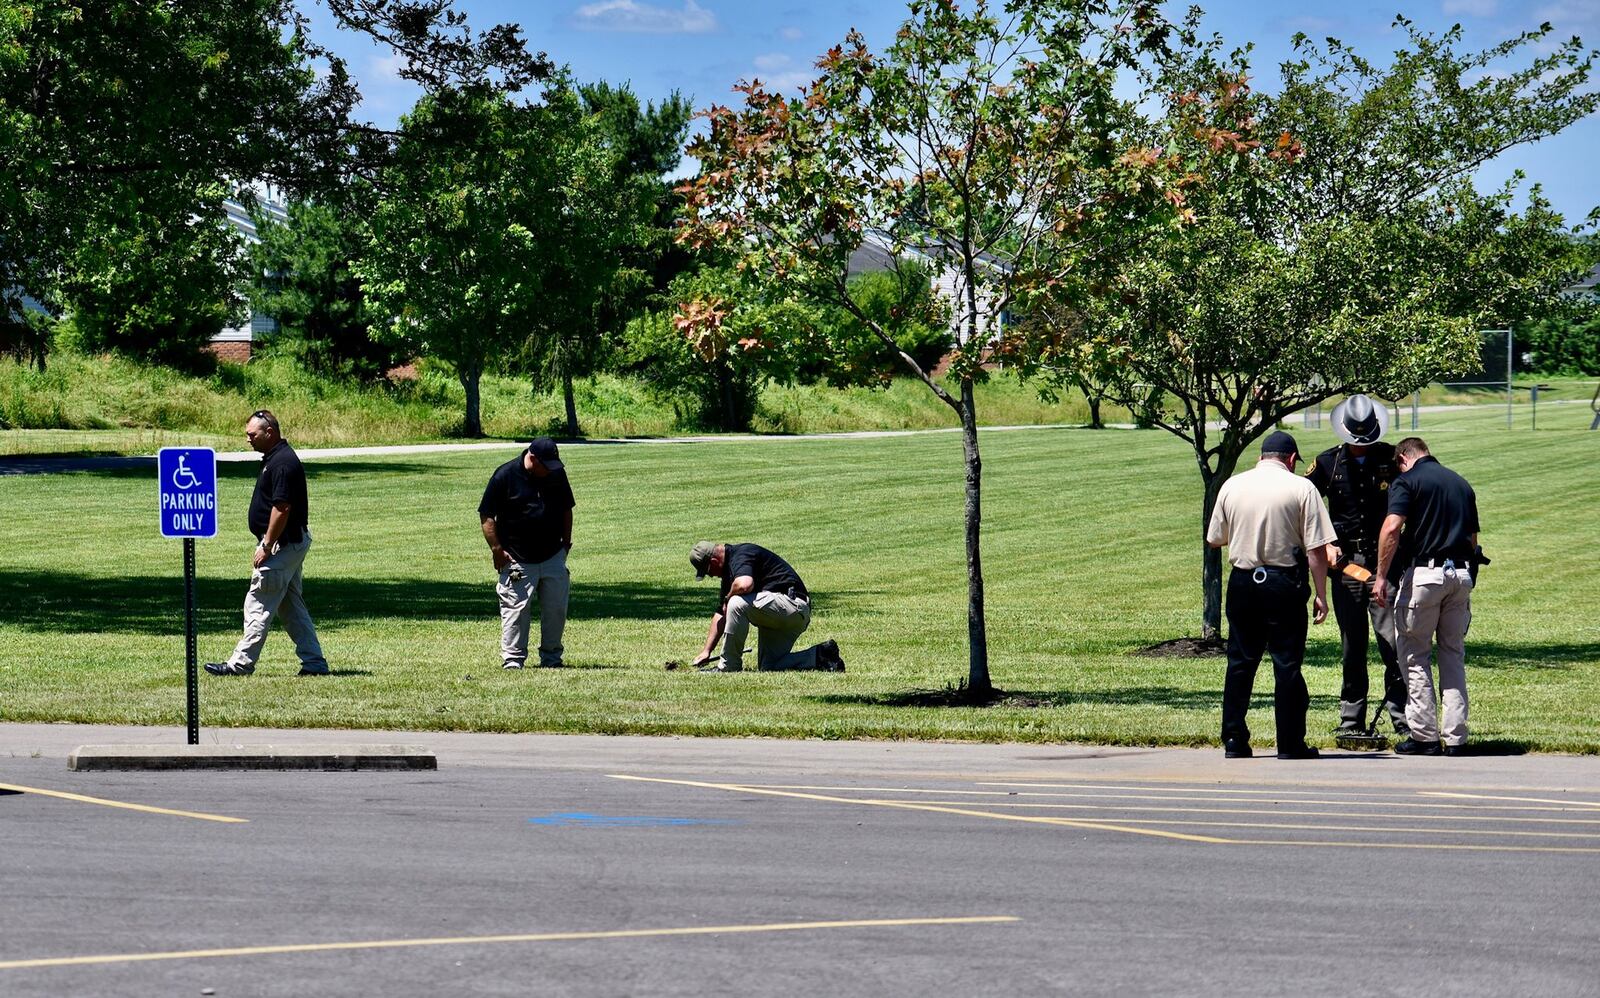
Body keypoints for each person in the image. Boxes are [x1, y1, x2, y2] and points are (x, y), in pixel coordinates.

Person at [1206, 430, 1335, 759]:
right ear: (1291, 460)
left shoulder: (1232, 485)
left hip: (1243, 580)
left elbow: (1215, 538)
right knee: (1287, 664)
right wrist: (1321, 594)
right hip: (1283, 582)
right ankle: (1290, 743)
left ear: (1261, 457)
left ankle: (1234, 739)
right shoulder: (1302, 487)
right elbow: (1317, 550)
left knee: (1240, 663)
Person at [1305, 395, 1409, 738]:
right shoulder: (1326, 464)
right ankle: (1352, 719)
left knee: (1391, 641)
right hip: (1346, 567)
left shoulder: (1392, 459)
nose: (1362, 445)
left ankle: (1402, 715)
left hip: (1386, 565)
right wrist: (1324, 543)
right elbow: (1305, 509)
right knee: (1352, 644)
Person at [1373, 437, 1480, 756]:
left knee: (1414, 654)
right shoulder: (1461, 483)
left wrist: (1380, 576)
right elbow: (1473, 539)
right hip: (1460, 575)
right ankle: (1456, 737)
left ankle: (1424, 736)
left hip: (1426, 574)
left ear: (1403, 457)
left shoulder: (1406, 481)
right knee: (1452, 653)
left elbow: (1392, 528)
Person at [205, 409, 329, 677]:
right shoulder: (274, 458)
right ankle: (315, 664)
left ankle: (240, 664)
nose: (248, 439)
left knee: (258, 602)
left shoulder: (282, 463)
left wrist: (267, 544)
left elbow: (282, 508)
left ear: (269, 432)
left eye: (252, 434)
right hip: (290, 543)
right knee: (291, 606)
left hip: (281, 545)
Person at [479, 438, 575, 669]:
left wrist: (566, 544)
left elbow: (566, 508)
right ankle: (513, 660)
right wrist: (496, 550)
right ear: (532, 458)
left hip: (552, 554)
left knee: (556, 609)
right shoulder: (505, 475)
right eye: (546, 465)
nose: (550, 470)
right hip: (517, 557)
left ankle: (552, 659)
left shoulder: (555, 474)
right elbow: (487, 515)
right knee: (516, 610)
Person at [688, 541, 845, 672]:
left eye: (708, 572)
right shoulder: (729, 576)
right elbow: (721, 615)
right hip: (782, 614)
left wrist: (729, 598)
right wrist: (706, 651)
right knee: (769, 666)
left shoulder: (741, 555)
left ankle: (728, 667)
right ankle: (821, 655)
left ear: (714, 562)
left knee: (736, 603)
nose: (712, 576)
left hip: (792, 605)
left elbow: (744, 585)